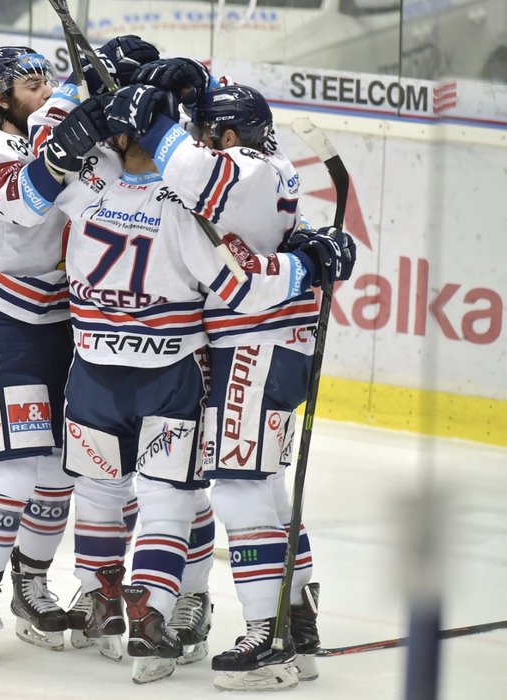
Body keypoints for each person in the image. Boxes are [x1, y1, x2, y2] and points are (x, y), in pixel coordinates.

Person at [113, 68, 356, 689]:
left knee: (239, 488)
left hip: (256, 346)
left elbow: (240, 284)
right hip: (269, 344)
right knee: (270, 492)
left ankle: (264, 639)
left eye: (202, 130)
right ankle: (295, 619)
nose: (193, 139)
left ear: (225, 133)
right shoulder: (260, 173)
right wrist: (308, 256)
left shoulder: (246, 166)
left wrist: (155, 121)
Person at [0, 37, 161, 660]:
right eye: (31, 85)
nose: (44, 92)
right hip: (0, 314)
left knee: (58, 471)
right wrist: (69, 130)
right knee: (12, 467)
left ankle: (31, 583)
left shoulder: (54, 131)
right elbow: (22, 204)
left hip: (64, 315)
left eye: (50, 81)